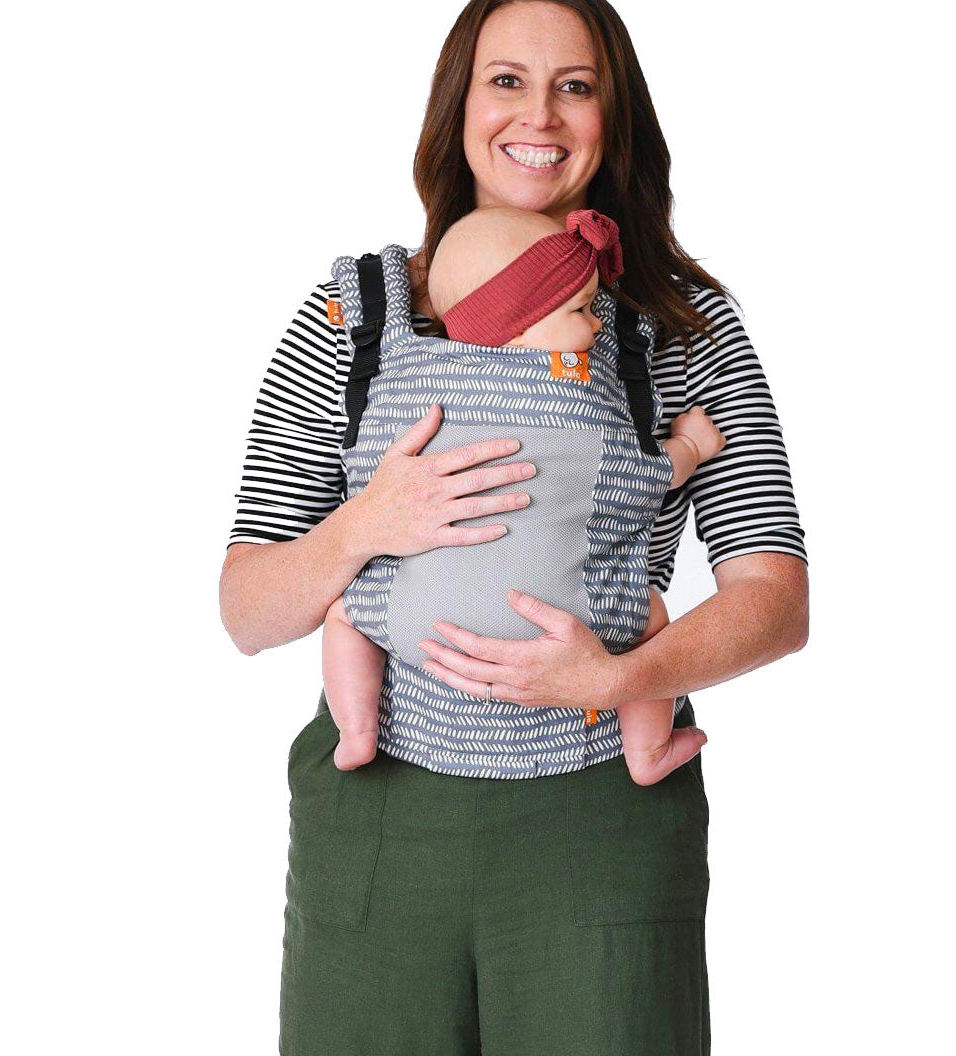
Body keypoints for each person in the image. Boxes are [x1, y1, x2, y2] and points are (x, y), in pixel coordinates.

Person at [219, 2, 808, 1052]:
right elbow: (248, 611)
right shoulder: (351, 318)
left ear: (611, 114)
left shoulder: (684, 330)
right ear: (457, 107)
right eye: (506, 80)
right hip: (383, 818)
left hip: (595, 822)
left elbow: (775, 600)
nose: (539, 113)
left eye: (576, 85)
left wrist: (621, 680)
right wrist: (367, 524)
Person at [322, 204, 726, 788]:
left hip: (421, 623)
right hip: (566, 620)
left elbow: (364, 469)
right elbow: (641, 481)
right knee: (652, 617)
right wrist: (687, 445)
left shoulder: (405, 387)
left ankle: (357, 731)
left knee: (344, 614)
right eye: (581, 311)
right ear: (519, 323)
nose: (595, 328)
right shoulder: (579, 410)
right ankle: (647, 749)